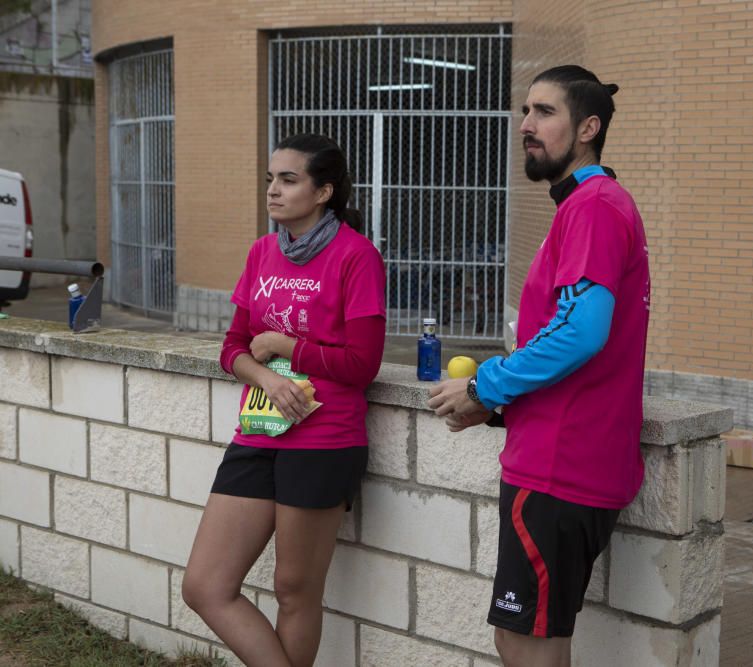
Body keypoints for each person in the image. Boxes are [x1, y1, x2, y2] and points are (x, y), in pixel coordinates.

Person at [428, 65, 650, 666]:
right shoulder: (588, 206)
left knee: (529, 644)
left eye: (545, 112)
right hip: (560, 459)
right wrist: (499, 408)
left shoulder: (595, 207)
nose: (526, 126)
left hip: (561, 468)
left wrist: (484, 384)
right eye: (525, 112)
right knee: (524, 638)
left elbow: (581, 333)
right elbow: (574, 345)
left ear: (589, 127)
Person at [182, 134, 386, 666]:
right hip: (259, 431)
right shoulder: (261, 253)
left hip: (324, 440)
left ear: (323, 191)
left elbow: (363, 365)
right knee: (205, 585)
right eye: (270, 179)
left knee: (294, 590)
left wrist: (283, 346)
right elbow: (231, 347)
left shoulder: (356, 257)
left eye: (288, 179)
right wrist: (265, 375)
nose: (273, 190)